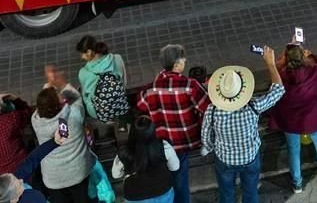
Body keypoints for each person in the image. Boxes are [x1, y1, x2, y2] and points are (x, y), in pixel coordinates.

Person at [201, 48, 285, 203]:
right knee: (251, 191)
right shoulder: (253, 106)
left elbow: (206, 138)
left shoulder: (212, 111)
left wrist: (213, 147)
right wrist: (270, 63)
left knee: (226, 194)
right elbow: (278, 90)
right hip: (250, 157)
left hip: (224, 159)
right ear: (242, 90)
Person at [138, 44, 210, 203]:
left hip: (161, 142)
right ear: (177, 64)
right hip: (183, 141)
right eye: (183, 60)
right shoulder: (190, 85)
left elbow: (141, 104)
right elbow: (207, 108)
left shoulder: (151, 89)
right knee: (180, 178)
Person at [269, 43, 317, 193]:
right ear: (302, 58)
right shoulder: (315, 72)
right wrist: (309, 57)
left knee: (293, 150)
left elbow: (275, 69)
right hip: (313, 118)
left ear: (286, 59)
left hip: (290, 121)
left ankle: (297, 183)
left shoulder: (280, 78)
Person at [30, 87, 95, 203]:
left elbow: (42, 111)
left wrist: (48, 97)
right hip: (77, 172)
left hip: (53, 178)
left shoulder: (36, 123)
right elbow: (76, 97)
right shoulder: (73, 115)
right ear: (57, 105)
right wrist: (63, 85)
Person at [112, 116, 179, 203]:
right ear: (153, 131)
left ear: (132, 132)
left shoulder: (125, 151)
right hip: (163, 190)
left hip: (135, 195)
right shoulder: (164, 146)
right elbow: (175, 167)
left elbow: (115, 175)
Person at [0, 131, 66, 203]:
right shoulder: (34, 199)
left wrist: (54, 142)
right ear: (14, 200)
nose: (21, 180)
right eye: (19, 185)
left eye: (15, 178)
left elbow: (32, 159)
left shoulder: (12, 185)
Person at [75, 35, 129, 126]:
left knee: (80, 94)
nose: (82, 57)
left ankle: (105, 121)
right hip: (119, 102)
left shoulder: (83, 72)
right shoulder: (117, 58)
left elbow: (86, 97)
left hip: (98, 112)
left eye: (82, 53)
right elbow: (124, 82)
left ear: (89, 52)